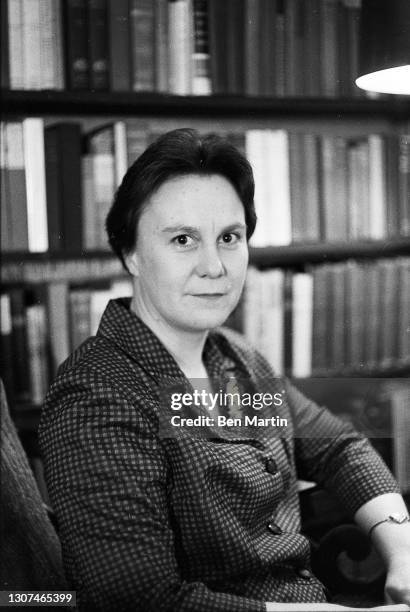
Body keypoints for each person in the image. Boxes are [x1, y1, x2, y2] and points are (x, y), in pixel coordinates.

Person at [39, 128, 410, 611]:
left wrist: (402, 553)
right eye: (182, 239)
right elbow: (141, 600)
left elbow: (337, 446)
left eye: (229, 238)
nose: (214, 266)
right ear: (130, 252)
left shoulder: (233, 356)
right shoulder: (97, 397)